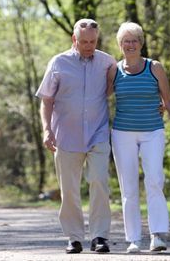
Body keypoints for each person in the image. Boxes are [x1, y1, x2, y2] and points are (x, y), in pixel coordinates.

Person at [36, 19, 116, 254]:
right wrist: (47, 129)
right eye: (84, 42)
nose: (89, 46)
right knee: (69, 189)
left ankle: (100, 236)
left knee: (99, 181)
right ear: (74, 40)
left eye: (93, 41)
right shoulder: (58, 63)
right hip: (66, 137)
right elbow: (47, 100)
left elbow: (122, 87)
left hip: (98, 133)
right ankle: (74, 237)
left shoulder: (107, 62)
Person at [107, 22, 170, 253]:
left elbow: (168, 100)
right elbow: (100, 98)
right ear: (120, 45)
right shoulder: (114, 70)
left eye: (134, 40)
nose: (130, 45)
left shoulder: (155, 67)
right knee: (128, 187)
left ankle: (157, 235)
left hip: (153, 131)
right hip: (122, 133)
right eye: (125, 41)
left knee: (154, 180)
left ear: (141, 43)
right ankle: (133, 239)